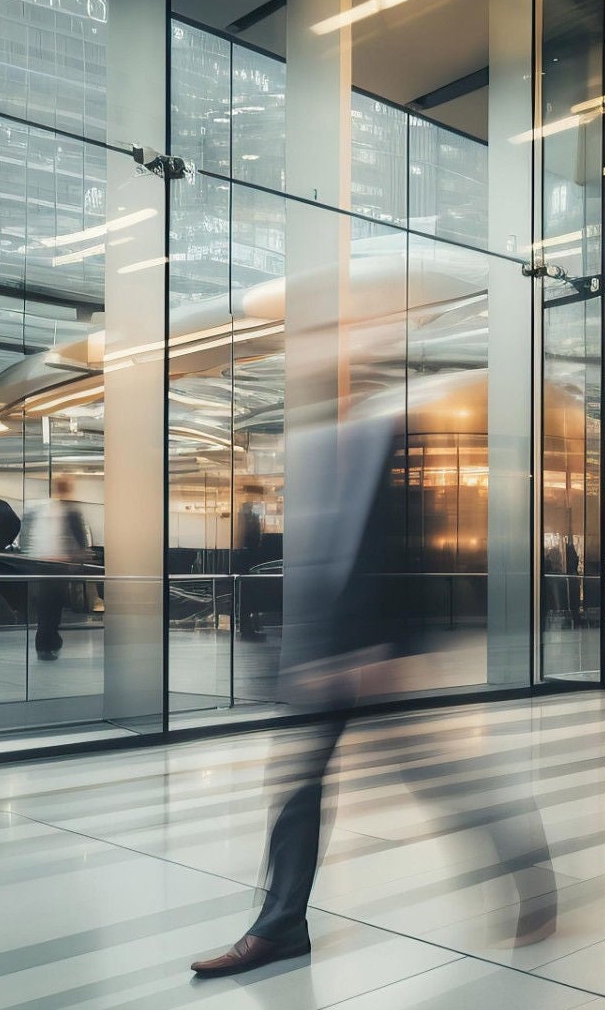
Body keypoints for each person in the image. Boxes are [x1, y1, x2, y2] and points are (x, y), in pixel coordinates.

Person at [190, 398, 554, 978]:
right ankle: (280, 925)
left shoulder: (393, 455)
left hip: (373, 656)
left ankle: (527, 863)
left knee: (436, 775)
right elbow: (314, 564)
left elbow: (408, 563)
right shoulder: (319, 459)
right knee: (297, 787)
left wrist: (387, 652)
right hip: (324, 656)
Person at [22, 476, 90, 660]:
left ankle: (48, 642)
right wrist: (80, 555)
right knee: (51, 605)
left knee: (50, 604)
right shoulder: (67, 510)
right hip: (56, 564)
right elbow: (79, 537)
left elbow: (31, 536)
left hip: (46, 563)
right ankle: (47, 643)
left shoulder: (42, 509)